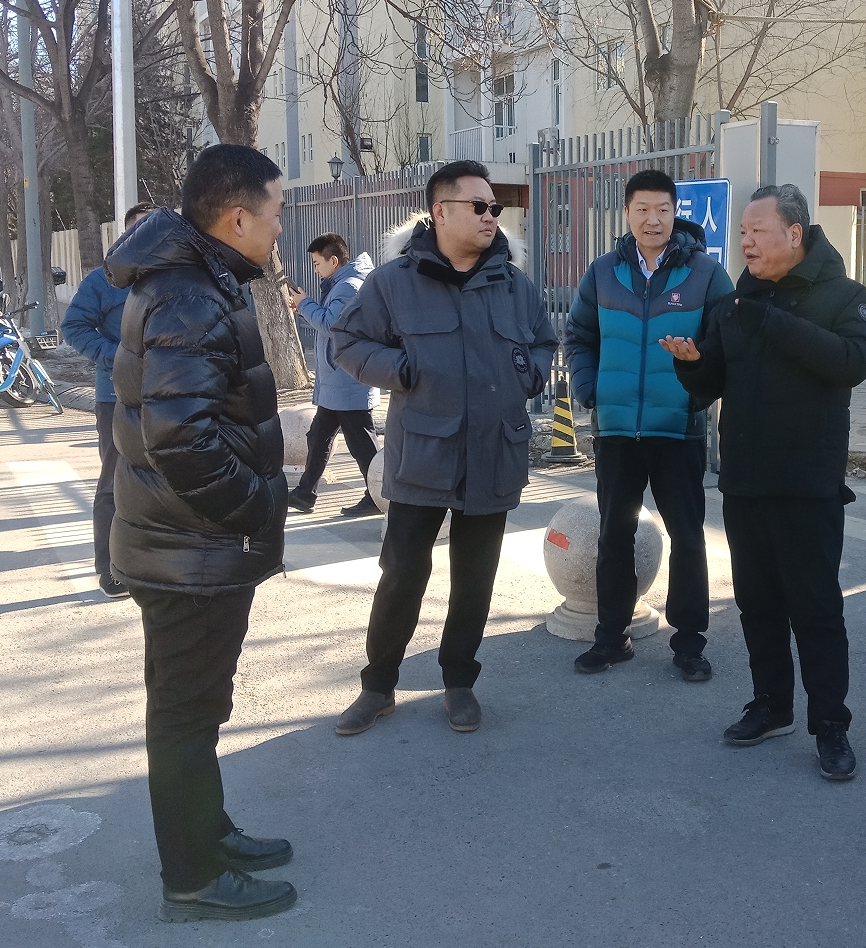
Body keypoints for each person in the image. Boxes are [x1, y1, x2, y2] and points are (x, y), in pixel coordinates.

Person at [105, 146, 295, 922]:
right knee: (185, 715)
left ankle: (208, 830)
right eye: (276, 211)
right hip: (192, 551)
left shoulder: (198, 278)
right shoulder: (188, 294)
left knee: (195, 707)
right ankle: (191, 877)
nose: (281, 226)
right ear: (238, 217)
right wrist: (255, 506)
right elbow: (182, 441)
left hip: (184, 545)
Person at [329, 160, 556, 736]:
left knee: (474, 579)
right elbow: (347, 342)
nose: (491, 216)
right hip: (423, 456)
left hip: (494, 451)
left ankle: (459, 681)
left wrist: (527, 373)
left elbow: (544, 341)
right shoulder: (394, 282)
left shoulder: (514, 284)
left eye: (494, 208)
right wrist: (401, 369)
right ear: (440, 212)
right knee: (402, 575)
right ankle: (378, 686)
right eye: (478, 206)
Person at [663, 183, 866, 780]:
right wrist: (691, 363)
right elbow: (712, 382)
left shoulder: (843, 295)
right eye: (743, 233)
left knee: (816, 610)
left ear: (795, 233)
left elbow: (852, 362)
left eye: (758, 231)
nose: (747, 242)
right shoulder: (736, 303)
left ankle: (830, 723)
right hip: (744, 483)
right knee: (757, 605)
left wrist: (776, 321)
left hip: (807, 485)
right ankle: (771, 704)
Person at [564, 169, 734, 680]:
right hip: (617, 430)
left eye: (662, 209)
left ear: (675, 212)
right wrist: (590, 389)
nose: (652, 219)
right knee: (614, 535)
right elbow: (579, 335)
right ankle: (610, 637)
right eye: (642, 209)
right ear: (627, 213)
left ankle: (689, 643)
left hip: (678, 429)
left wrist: (697, 389)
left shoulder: (706, 274)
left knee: (688, 537)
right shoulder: (602, 273)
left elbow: (728, 344)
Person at [63, 201, 156, 598]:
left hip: (171, 394)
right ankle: (111, 566)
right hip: (117, 396)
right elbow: (74, 326)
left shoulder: (176, 276)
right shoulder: (102, 281)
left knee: (165, 481)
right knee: (116, 482)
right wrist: (117, 357)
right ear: (126, 235)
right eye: (139, 230)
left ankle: (156, 562)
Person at [286, 233, 380, 517]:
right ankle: (305, 493)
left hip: (347, 378)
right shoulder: (343, 284)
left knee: (361, 444)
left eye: (317, 263)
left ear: (334, 261)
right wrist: (304, 309)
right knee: (318, 437)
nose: (315, 270)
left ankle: (379, 495)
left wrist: (305, 304)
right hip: (339, 378)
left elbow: (331, 324)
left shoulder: (348, 287)